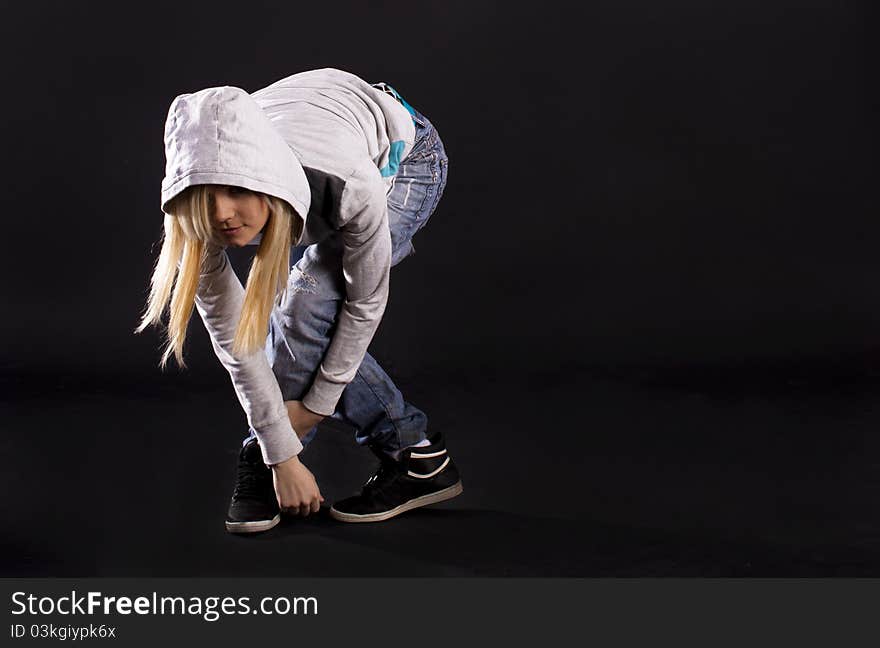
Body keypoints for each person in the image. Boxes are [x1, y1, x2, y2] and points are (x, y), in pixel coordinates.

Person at [136, 67, 462, 533]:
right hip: (316, 124)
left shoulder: (349, 184)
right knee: (297, 313)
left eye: (237, 191)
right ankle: (416, 455)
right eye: (205, 198)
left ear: (262, 176)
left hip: (403, 157)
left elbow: (364, 303)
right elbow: (237, 343)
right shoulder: (201, 224)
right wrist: (283, 453)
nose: (222, 215)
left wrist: (305, 418)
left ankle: (267, 459)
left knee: (307, 304)